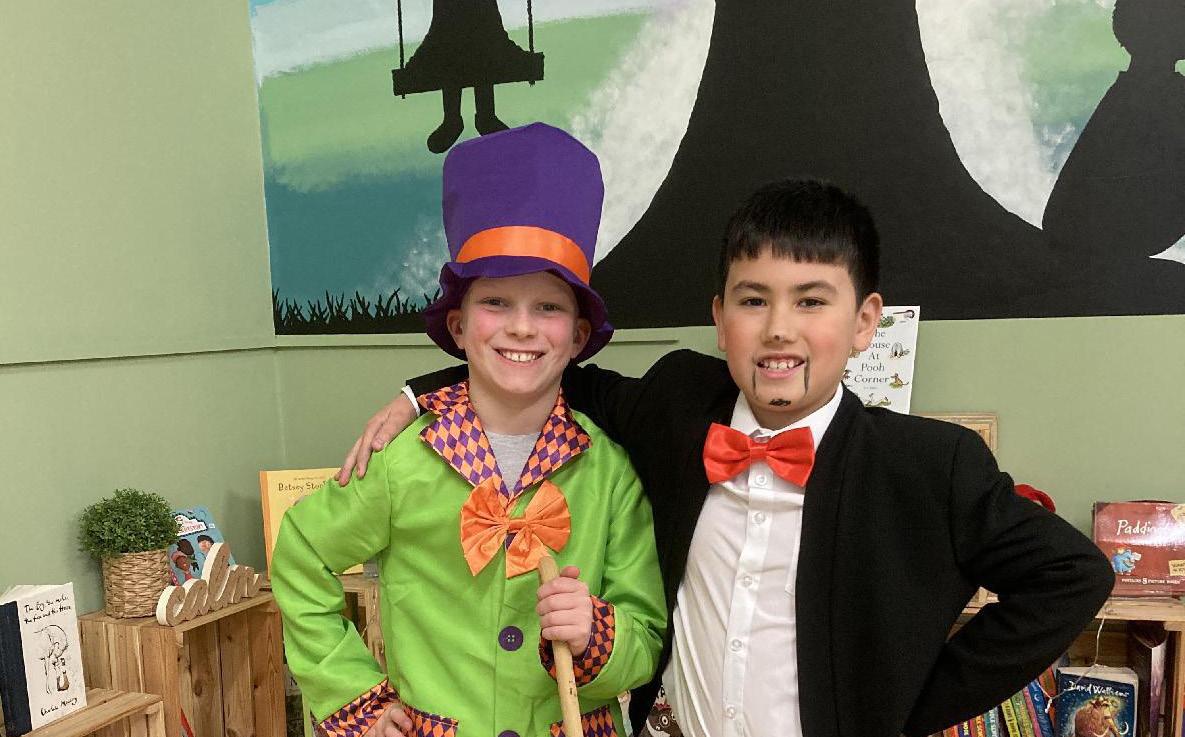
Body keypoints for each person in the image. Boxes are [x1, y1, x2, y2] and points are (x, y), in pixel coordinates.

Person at [340, 178, 1115, 737]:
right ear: (720, 319)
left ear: (863, 322)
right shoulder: (678, 402)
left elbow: (1074, 574)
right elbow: (545, 363)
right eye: (753, 299)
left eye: (810, 300)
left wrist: (913, 701)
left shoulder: (926, 466)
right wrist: (422, 391)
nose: (778, 328)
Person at [273, 123, 666, 737]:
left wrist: (597, 634)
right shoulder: (402, 461)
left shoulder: (610, 475)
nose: (522, 327)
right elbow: (302, 555)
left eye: (548, 307)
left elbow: (646, 639)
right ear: (458, 327)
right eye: (496, 303)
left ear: (578, 336)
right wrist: (356, 699)